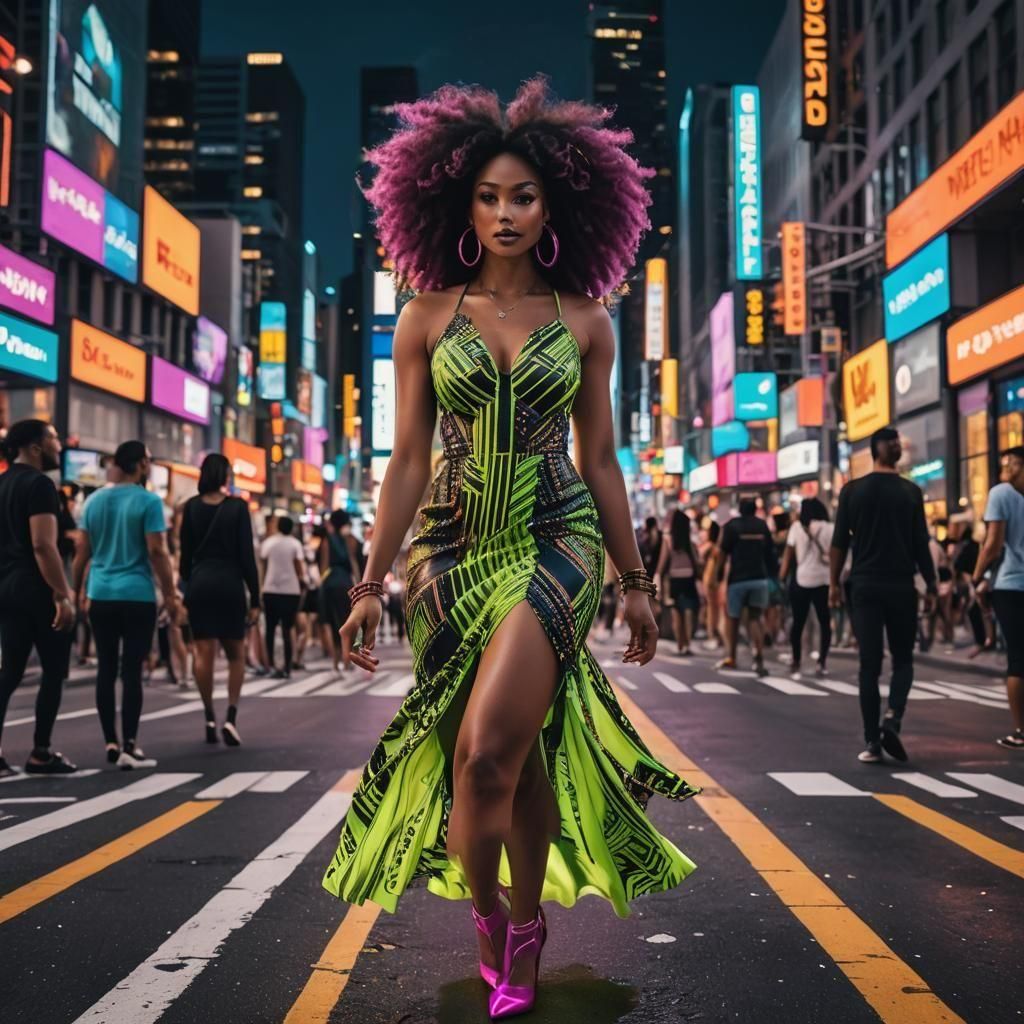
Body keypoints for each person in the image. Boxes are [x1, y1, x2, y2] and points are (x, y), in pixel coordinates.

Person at [320, 78, 699, 1019]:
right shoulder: (422, 314)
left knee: (488, 753)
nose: (504, 212)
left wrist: (636, 580)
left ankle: (521, 933)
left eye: (522, 196)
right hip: (447, 552)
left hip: (554, 539)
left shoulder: (587, 319)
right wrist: (370, 578)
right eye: (488, 196)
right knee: (506, 764)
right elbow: (407, 459)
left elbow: (603, 459)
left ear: (554, 204)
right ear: (459, 203)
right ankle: (499, 916)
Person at [830, 426, 936, 765]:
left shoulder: (853, 491)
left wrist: (834, 583)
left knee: (869, 666)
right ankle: (893, 717)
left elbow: (839, 543)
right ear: (884, 449)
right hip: (901, 585)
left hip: (865, 585)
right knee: (903, 659)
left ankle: (873, 740)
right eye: (894, 442)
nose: (897, 446)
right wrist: (931, 585)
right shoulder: (910, 492)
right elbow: (921, 543)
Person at [73, 441, 179, 769]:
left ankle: (110, 741)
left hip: (100, 594)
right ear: (140, 465)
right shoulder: (148, 502)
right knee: (132, 669)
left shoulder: (93, 501)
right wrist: (171, 593)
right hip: (137, 595)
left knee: (106, 667)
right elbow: (158, 551)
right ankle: (130, 745)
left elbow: (82, 554)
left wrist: (75, 592)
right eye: (147, 460)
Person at [0, 420, 77, 777]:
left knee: (10, 671)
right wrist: (62, 595)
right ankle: (41, 752)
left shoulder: (2, 484)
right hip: (36, 588)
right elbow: (43, 545)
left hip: (6, 588)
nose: (59, 446)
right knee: (53, 669)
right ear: (35, 446)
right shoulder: (40, 485)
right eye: (54, 439)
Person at [179, 453, 260, 746]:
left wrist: (184, 592)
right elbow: (246, 555)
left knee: (203, 653)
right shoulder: (238, 507)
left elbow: (185, 556)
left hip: (199, 584)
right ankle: (231, 716)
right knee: (236, 653)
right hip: (229, 585)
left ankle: (209, 715)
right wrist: (255, 599)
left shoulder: (190, 508)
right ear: (225, 475)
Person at [972, 446, 1024, 749]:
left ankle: (1020, 731)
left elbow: (993, 544)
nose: (1008, 469)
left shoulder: (1001, 494)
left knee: (1017, 658)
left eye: (1013, 463)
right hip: (1010, 583)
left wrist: (977, 578)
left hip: (1012, 585)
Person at [715, 498, 776, 676]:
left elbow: (722, 553)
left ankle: (732, 657)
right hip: (759, 578)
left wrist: (719, 575)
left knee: (733, 619)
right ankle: (758, 656)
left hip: (738, 580)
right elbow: (770, 552)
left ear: (740, 509)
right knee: (755, 617)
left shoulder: (732, 526)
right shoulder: (762, 526)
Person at [779, 497, 833, 680]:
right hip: (824, 580)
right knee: (824, 622)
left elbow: (788, 554)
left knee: (798, 622)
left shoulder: (796, 528)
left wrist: (782, 576)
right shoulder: (829, 528)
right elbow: (835, 555)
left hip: (801, 579)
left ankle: (796, 660)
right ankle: (822, 662)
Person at [260, 515, 305, 678]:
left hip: (270, 589)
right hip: (291, 591)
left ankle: (270, 665)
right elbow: (299, 568)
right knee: (287, 629)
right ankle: (287, 666)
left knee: (270, 630)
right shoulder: (295, 544)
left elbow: (262, 564)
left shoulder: (269, 543)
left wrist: (260, 586)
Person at [319, 509, 362, 672]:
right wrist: (358, 584)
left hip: (329, 584)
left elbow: (323, 567)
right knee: (347, 622)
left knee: (332, 622)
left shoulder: (326, 540)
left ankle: (336, 661)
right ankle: (347, 659)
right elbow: (353, 564)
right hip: (345, 584)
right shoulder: (350, 540)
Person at [655, 508, 701, 655]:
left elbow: (662, 563)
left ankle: (680, 645)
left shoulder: (668, 540)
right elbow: (696, 562)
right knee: (688, 612)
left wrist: (657, 576)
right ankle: (687, 644)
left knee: (676, 613)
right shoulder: (690, 542)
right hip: (689, 579)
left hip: (674, 580)